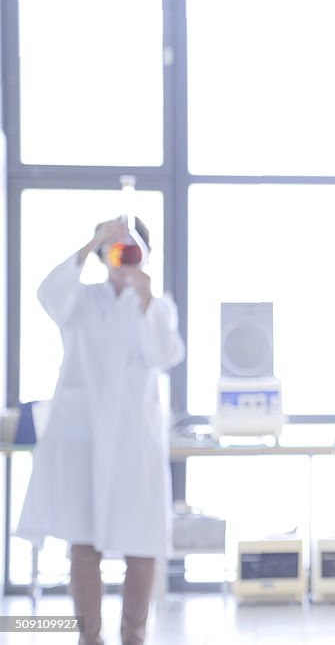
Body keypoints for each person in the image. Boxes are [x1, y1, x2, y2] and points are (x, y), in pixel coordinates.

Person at [16, 217, 186, 645]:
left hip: (135, 438)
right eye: (114, 247)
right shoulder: (81, 300)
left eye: (131, 247)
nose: (123, 255)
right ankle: (88, 637)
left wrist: (145, 300)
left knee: (142, 542)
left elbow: (165, 355)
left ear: (145, 254)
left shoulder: (158, 304)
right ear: (100, 254)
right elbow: (47, 293)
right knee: (84, 542)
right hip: (83, 436)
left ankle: (134, 635)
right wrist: (94, 237)